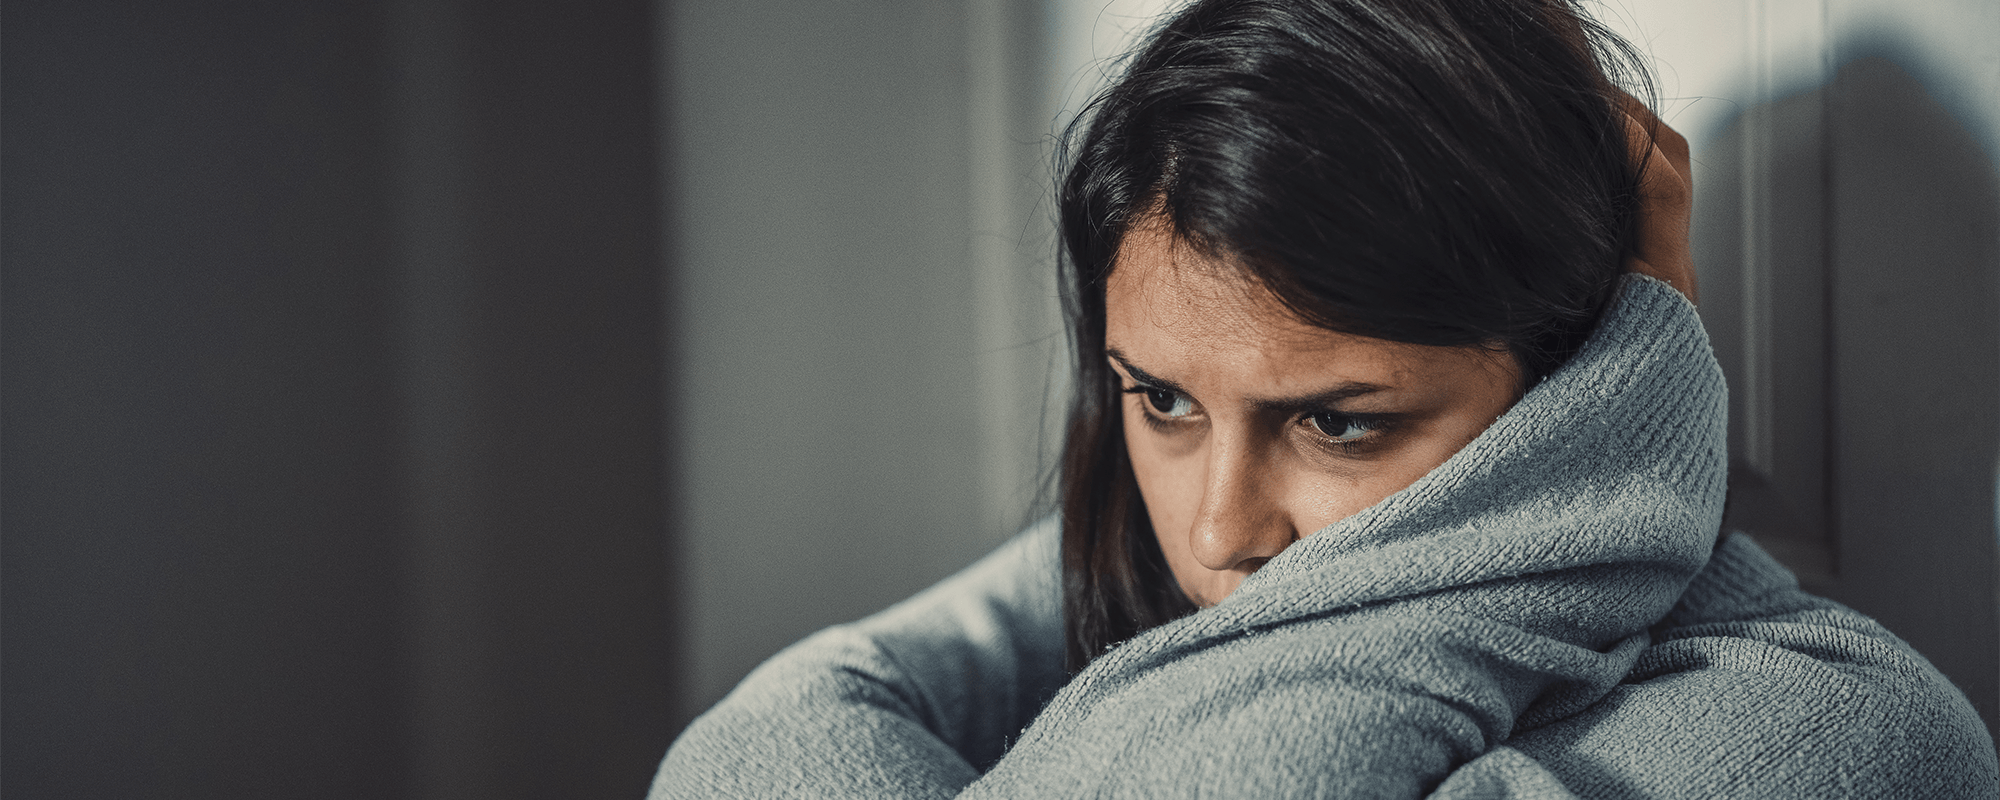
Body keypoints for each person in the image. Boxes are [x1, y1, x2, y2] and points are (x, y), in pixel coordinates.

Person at [652, 0, 1999, 796]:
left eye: (1339, 423)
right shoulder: (1143, 578)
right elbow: (753, 750)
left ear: (1588, 389)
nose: (1220, 532)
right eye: (1163, 403)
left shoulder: (1840, 734)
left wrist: (1639, 378)